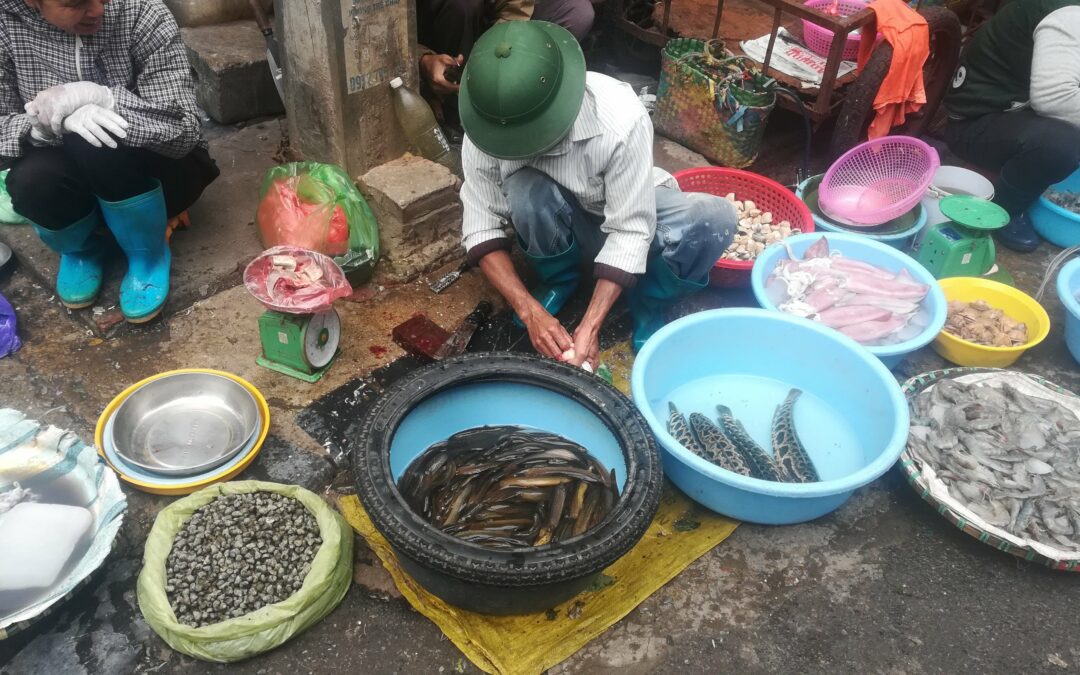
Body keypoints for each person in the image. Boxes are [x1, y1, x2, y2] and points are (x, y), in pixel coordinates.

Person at [458, 21, 736, 369]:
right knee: (525, 187)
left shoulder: (621, 119)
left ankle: (649, 303)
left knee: (716, 220)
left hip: (623, 208)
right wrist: (529, 311)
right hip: (567, 220)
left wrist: (589, 327)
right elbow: (482, 228)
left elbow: (630, 229)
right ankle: (561, 280)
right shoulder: (489, 129)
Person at [0, 0, 219, 322]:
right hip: (65, 180)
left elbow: (185, 129)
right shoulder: (6, 24)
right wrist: (42, 125)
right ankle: (81, 250)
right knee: (31, 181)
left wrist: (110, 100)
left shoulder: (143, 12)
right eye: (75, 3)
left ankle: (148, 254)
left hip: (155, 171)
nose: (98, 9)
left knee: (97, 141)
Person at [944, 0, 1080, 252]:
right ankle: (1004, 209)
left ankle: (1027, 175)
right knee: (1063, 144)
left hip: (1016, 108)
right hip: (974, 123)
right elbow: (1055, 98)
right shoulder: (1071, 17)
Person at [417, 0, 594, 116]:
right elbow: (393, 28)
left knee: (577, 12)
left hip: (489, 22)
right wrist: (422, 59)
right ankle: (454, 104)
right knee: (463, 5)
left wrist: (495, 51)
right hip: (435, 32)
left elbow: (516, 8)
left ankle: (524, 93)